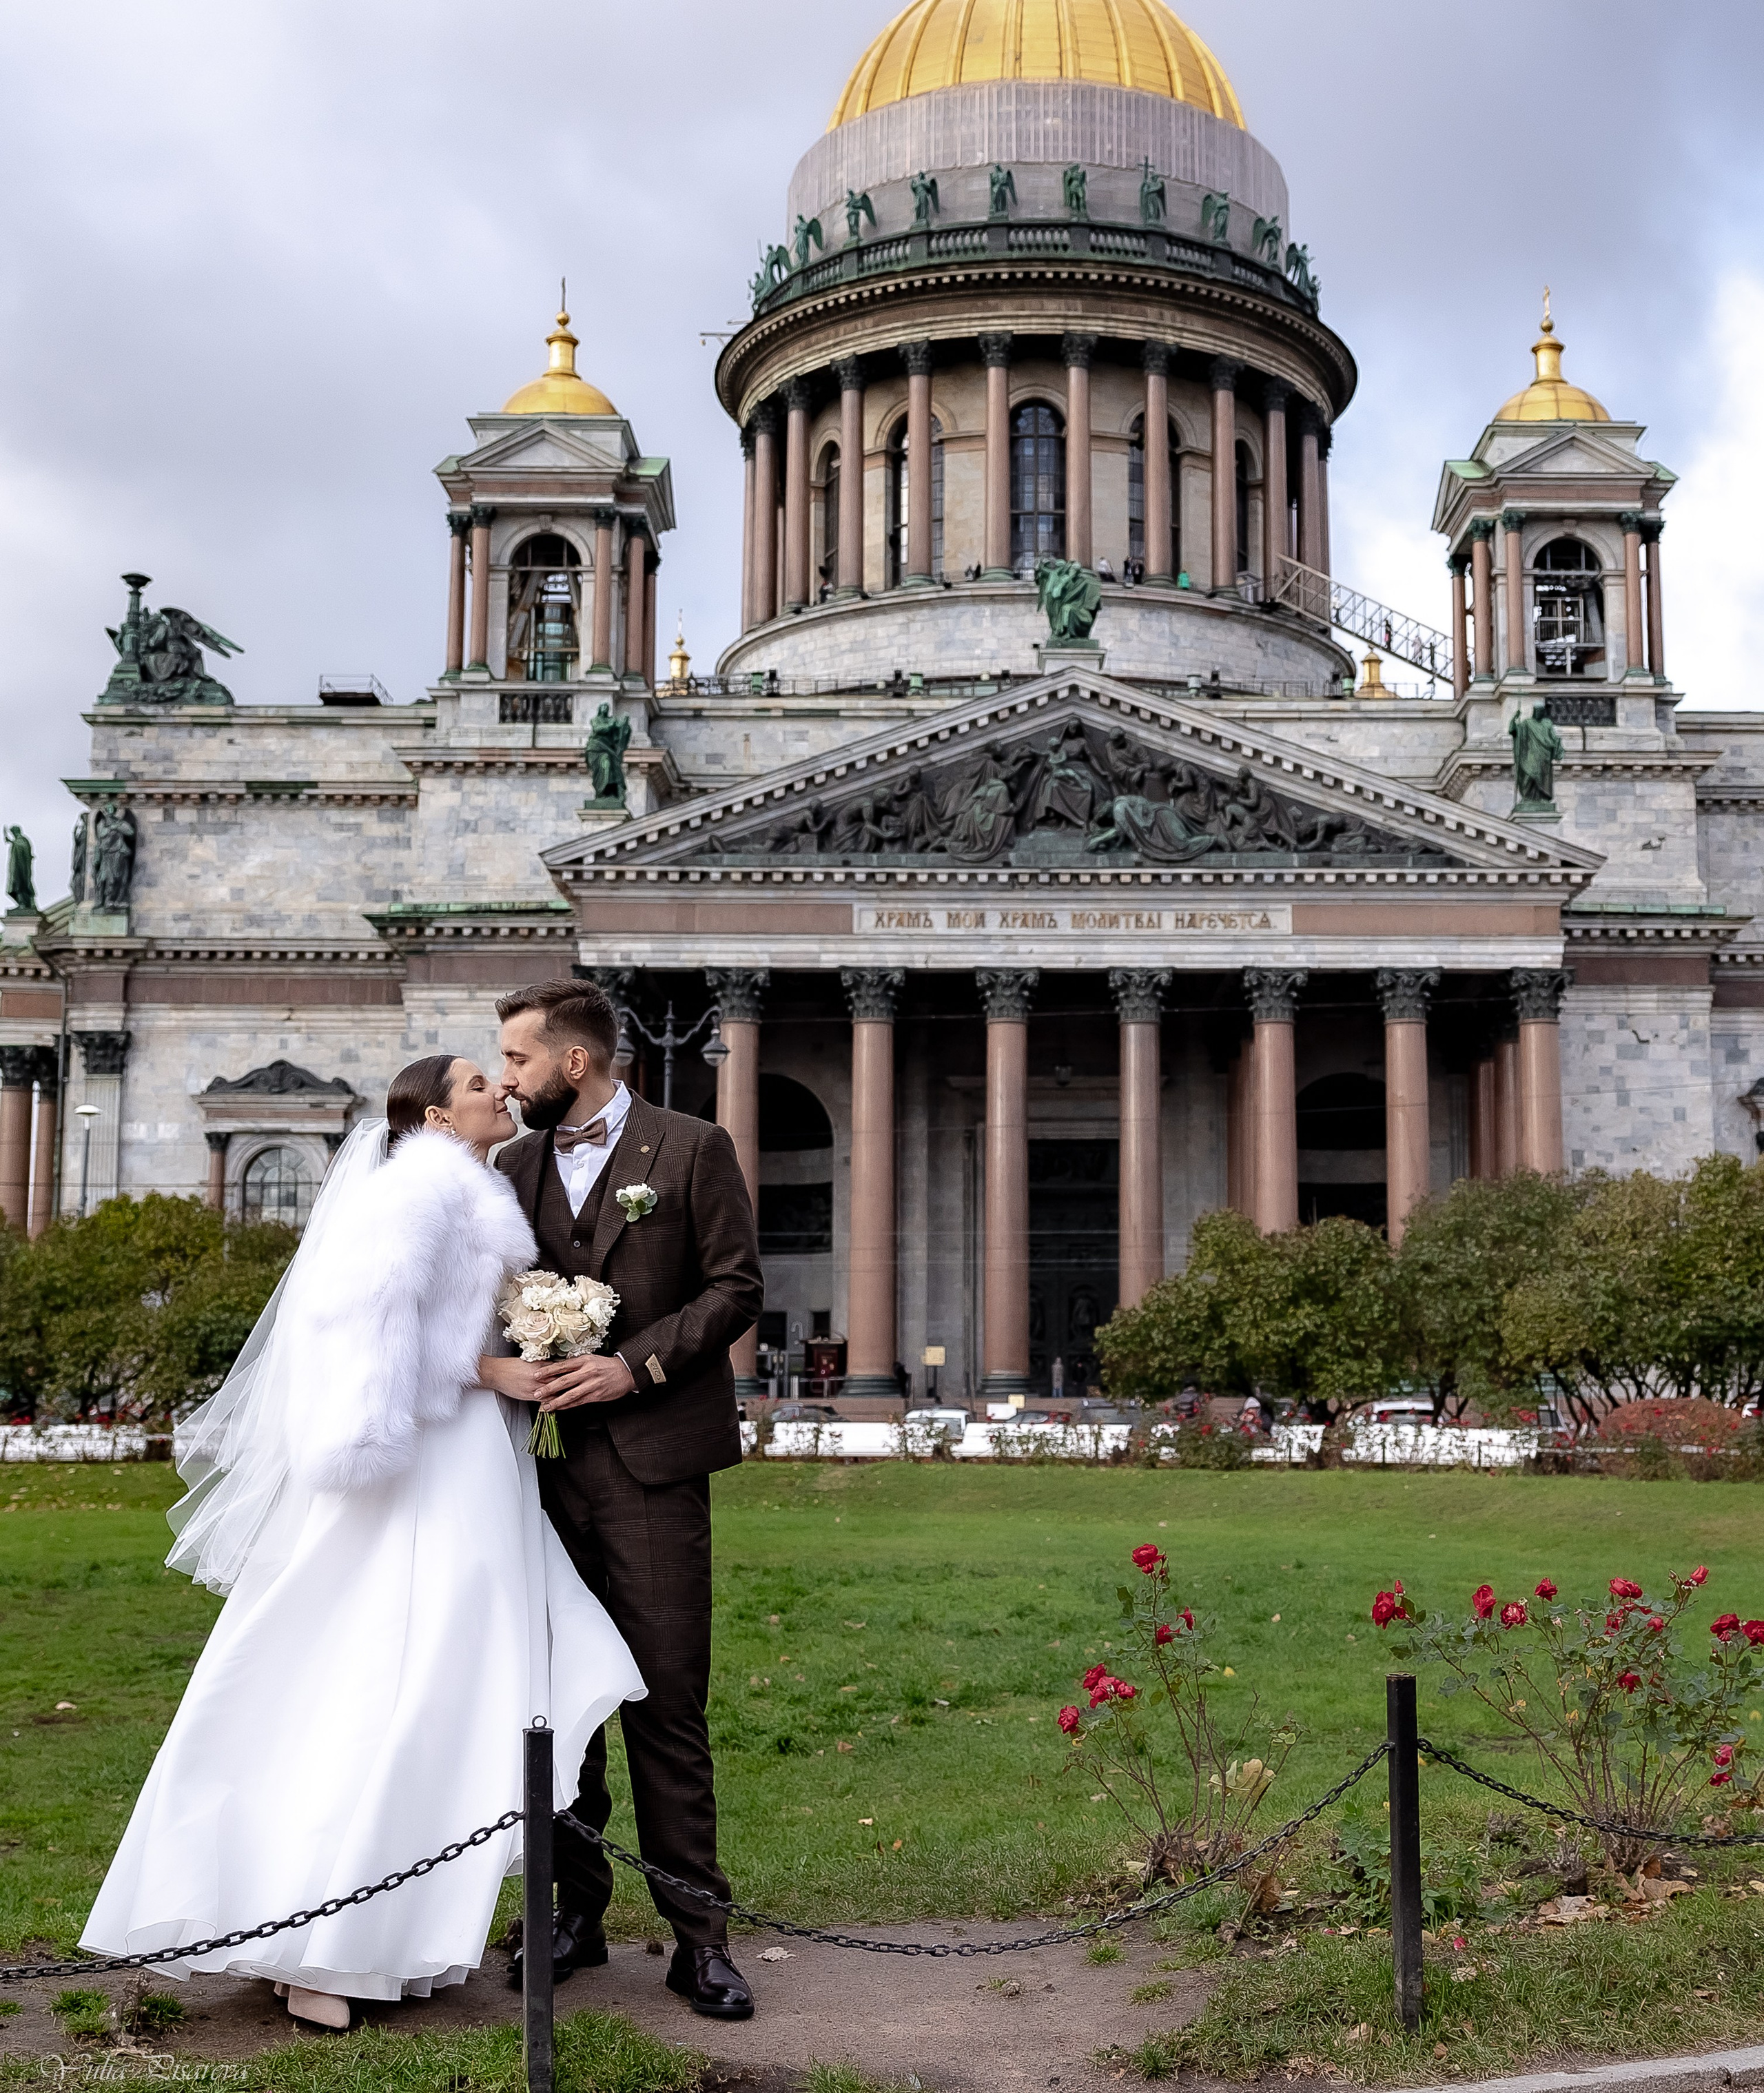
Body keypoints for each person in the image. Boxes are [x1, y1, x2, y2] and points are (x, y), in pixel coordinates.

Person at [82, 1058, 644, 2032]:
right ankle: (315, 1947)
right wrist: (492, 1371)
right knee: (404, 1675)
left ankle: (384, 1946)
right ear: (434, 1112)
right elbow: (368, 1333)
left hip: (473, 1456)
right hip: (424, 1459)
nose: (499, 1088)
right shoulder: (418, 1192)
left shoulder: (469, 1192)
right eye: (479, 1080)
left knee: (450, 1679)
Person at [487, 979, 764, 2021]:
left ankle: (700, 1938)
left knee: (662, 1699)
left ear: (573, 1061)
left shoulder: (692, 1148)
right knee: (555, 1707)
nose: (505, 1080)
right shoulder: (509, 1168)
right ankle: (571, 1913)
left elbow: (736, 1287)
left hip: (651, 1465)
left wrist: (631, 1367)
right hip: (533, 1472)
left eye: (517, 1060)